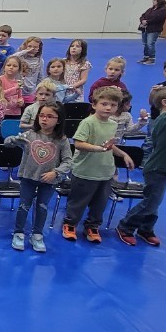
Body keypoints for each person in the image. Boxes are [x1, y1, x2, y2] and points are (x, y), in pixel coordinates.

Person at [62, 86, 135, 243]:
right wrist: (97, 148)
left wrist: (123, 154)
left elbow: (109, 146)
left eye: (113, 105)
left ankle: (92, 226)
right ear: (95, 104)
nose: (108, 108)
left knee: (100, 203)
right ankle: (70, 223)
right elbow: (79, 143)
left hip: (105, 172)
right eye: (104, 104)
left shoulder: (112, 125)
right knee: (78, 201)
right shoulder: (88, 123)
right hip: (85, 171)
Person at [116, 86, 166, 247]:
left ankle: (146, 228)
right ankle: (126, 226)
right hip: (157, 167)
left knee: (155, 199)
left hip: (164, 166)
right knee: (151, 201)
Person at [5, 103, 72, 253]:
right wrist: (14, 140)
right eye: (41, 115)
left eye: (49, 116)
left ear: (59, 120)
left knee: (42, 208)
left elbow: (68, 161)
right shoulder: (30, 134)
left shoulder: (62, 140)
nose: (44, 119)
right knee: (23, 206)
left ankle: (37, 234)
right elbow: (8, 142)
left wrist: (56, 172)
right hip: (28, 177)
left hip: (48, 181)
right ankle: (19, 232)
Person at [138, 0, 166, 64]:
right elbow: (143, 15)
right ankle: (146, 57)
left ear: (159, 1)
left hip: (154, 29)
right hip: (145, 28)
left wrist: (147, 22)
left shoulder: (163, 10)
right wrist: (142, 20)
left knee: (150, 44)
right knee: (145, 43)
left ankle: (151, 59)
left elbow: (157, 19)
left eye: (155, 0)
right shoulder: (150, 9)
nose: (153, 1)